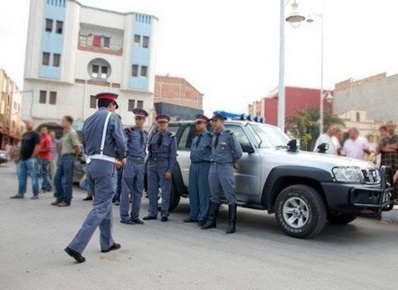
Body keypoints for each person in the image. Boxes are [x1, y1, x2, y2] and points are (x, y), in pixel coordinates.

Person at [64, 92, 126, 264]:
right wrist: (121, 157)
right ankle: (76, 246)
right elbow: (121, 142)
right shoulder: (112, 118)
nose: (114, 109)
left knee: (103, 204)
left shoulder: (89, 120)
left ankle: (107, 243)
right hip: (105, 166)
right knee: (101, 206)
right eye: (115, 105)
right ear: (112, 104)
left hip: (91, 165)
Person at [201, 112, 243, 234]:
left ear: (222, 121)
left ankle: (232, 224)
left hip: (225, 168)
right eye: (212, 121)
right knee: (214, 195)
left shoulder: (229, 136)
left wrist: (231, 162)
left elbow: (238, 153)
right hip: (214, 167)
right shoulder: (214, 135)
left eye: (216, 121)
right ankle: (211, 221)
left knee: (230, 195)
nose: (213, 123)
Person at [143, 114, 177, 222]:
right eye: (160, 123)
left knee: (165, 190)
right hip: (152, 164)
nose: (162, 125)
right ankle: (152, 212)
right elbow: (149, 151)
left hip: (164, 165)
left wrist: (170, 170)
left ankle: (164, 213)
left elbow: (173, 155)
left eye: (164, 123)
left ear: (167, 124)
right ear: (158, 124)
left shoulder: (171, 137)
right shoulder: (154, 136)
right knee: (152, 190)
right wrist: (147, 166)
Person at [120, 108, 148, 225]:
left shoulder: (145, 134)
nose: (138, 121)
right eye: (137, 118)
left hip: (140, 164)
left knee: (138, 191)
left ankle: (135, 216)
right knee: (126, 191)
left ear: (144, 120)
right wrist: (123, 157)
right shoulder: (129, 131)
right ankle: (124, 217)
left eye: (141, 119)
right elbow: (123, 144)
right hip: (131, 162)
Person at [183, 114, 212, 226]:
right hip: (194, 165)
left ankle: (203, 216)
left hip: (204, 165)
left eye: (199, 123)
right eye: (196, 123)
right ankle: (193, 215)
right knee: (193, 192)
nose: (197, 125)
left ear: (205, 123)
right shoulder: (195, 138)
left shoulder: (210, 137)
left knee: (203, 192)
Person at [52, 116, 80, 207]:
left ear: (68, 122)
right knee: (57, 178)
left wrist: (73, 158)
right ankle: (59, 197)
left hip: (69, 157)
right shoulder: (65, 133)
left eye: (63, 121)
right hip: (63, 157)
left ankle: (67, 200)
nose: (61, 122)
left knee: (67, 179)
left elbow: (77, 147)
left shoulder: (72, 133)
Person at [10, 120, 40, 199]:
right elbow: (22, 147)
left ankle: (36, 194)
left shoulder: (36, 134)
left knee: (34, 176)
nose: (27, 124)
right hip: (22, 159)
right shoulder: (24, 134)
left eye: (29, 123)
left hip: (31, 159)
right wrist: (18, 157)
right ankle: (20, 193)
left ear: (33, 124)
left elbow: (37, 146)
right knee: (21, 176)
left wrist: (33, 157)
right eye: (26, 123)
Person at [377, 121, 398, 191]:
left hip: (395, 164)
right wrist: (394, 149)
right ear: (387, 127)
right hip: (385, 164)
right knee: (386, 182)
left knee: (396, 182)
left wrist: (386, 147)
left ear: (395, 127)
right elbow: (380, 148)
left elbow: (397, 146)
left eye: (392, 126)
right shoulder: (383, 139)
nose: (390, 128)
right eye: (389, 126)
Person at [37, 126, 53, 192]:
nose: (43, 131)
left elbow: (49, 149)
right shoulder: (41, 138)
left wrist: (39, 150)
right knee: (44, 173)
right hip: (41, 158)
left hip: (45, 158)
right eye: (42, 130)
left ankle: (44, 188)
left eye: (44, 130)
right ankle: (48, 187)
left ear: (47, 131)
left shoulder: (47, 138)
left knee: (44, 173)